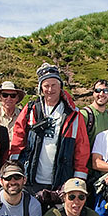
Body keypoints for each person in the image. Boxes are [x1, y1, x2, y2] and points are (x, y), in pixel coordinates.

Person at [11, 63, 90, 193]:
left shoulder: (74, 114)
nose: (50, 89)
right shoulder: (31, 109)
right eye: (46, 85)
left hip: (61, 181)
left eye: (54, 85)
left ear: (60, 87)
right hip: (30, 179)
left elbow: (82, 147)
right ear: (40, 88)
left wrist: (79, 176)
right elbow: (18, 138)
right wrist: (15, 167)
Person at [79, 79, 108, 148]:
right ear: (93, 93)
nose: (101, 94)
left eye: (105, 91)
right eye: (98, 90)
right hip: (87, 158)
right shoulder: (84, 115)